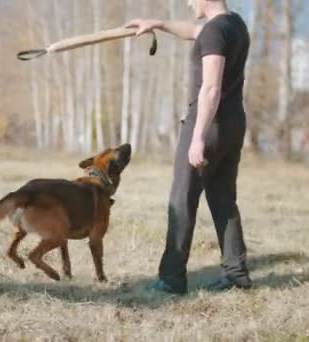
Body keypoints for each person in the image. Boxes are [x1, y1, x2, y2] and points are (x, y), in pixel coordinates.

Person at [126, 0, 252, 294]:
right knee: (223, 199)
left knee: (182, 198)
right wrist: (157, 24)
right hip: (233, 122)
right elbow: (195, 31)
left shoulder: (215, 32)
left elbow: (211, 88)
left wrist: (197, 136)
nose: (188, 2)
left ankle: (171, 278)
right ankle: (236, 274)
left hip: (209, 123)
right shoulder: (234, 24)